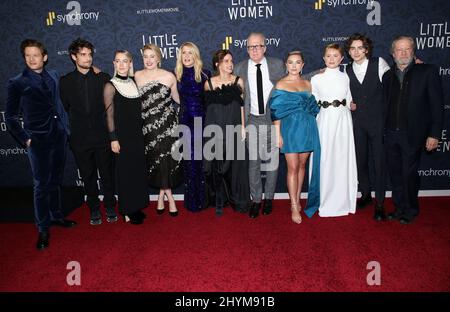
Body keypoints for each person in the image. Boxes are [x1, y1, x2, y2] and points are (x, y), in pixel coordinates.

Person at [5, 39, 76, 250]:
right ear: (25, 58)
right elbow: (10, 116)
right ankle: (43, 228)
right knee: (41, 185)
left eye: (36, 55)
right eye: (28, 55)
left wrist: (65, 129)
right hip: (37, 140)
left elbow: (59, 105)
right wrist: (25, 138)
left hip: (58, 136)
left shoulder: (53, 75)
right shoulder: (17, 82)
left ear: (44, 57)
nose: (32, 59)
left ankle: (56, 216)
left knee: (55, 180)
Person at [382, 35, 443, 224]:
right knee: (395, 173)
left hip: (413, 134)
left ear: (413, 51)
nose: (403, 53)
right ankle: (399, 207)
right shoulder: (387, 76)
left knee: (409, 174)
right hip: (390, 133)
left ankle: (411, 209)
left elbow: (437, 105)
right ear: (393, 54)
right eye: (399, 50)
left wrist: (434, 134)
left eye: (407, 49)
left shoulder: (427, 71)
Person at [60, 38, 117, 225]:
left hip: (102, 137)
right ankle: (93, 209)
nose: (87, 58)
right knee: (88, 176)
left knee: (107, 175)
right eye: (83, 54)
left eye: (89, 54)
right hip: (80, 138)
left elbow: (110, 109)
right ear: (73, 57)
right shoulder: (65, 81)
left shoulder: (103, 78)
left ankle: (109, 206)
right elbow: (65, 108)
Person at [234, 32, 285, 218]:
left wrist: (319, 73)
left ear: (265, 47)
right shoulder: (239, 68)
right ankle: (256, 200)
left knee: (272, 163)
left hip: (273, 120)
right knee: (253, 164)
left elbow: (292, 81)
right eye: (250, 47)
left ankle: (269, 198)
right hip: (252, 120)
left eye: (258, 46)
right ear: (246, 49)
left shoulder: (277, 65)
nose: (254, 50)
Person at [269, 51, 321, 224]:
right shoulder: (281, 84)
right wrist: (278, 134)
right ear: (286, 65)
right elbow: (275, 111)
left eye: (297, 62)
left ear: (303, 65)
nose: (293, 66)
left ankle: (298, 198)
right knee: (292, 167)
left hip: (307, 128)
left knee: (302, 165)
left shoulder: (308, 84)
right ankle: (293, 205)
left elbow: (314, 107)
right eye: (290, 62)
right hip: (290, 129)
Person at [345, 33, 390, 221]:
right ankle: (365, 195)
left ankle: (380, 202)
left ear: (366, 49)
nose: (356, 52)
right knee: (360, 161)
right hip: (357, 123)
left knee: (379, 163)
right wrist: (349, 103)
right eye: (352, 48)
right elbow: (345, 93)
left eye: (359, 48)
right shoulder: (346, 69)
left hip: (378, 122)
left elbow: (393, 85)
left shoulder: (379, 63)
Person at [135, 44, 183, 217]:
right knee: (156, 161)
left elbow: (177, 98)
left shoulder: (169, 76)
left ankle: (165, 197)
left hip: (168, 126)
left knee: (167, 161)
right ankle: (166, 196)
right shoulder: (137, 76)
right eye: (145, 57)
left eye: (152, 56)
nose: (148, 60)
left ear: (158, 58)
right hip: (147, 127)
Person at [311, 43, 358, 217]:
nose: (331, 59)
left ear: (342, 58)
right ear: (324, 58)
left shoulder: (346, 77)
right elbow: (313, 103)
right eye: (328, 56)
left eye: (335, 56)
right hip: (324, 121)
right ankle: (325, 201)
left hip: (343, 121)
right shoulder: (316, 78)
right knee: (325, 159)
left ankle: (344, 201)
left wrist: (352, 105)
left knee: (342, 158)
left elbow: (350, 99)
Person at [103, 50, 149, 225]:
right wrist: (113, 138)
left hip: (137, 135)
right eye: (118, 61)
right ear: (114, 64)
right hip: (122, 137)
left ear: (130, 63)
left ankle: (136, 206)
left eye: (125, 61)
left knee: (137, 172)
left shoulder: (134, 82)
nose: (122, 65)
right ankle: (127, 210)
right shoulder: (110, 85)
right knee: (125, 174)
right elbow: (109, 116)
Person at [203, 49, 250, 216]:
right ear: (217, 64)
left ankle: (238, 200)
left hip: (234, 127)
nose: (230, 64)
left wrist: (243, 127)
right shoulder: (208, 83)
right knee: (216, 166)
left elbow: (242, 106)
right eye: (226, 61)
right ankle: (219, 200)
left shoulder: (239, 81)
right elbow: (208, 110)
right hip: (214, 129)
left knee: (236, 166)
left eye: (231, 61)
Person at [175, 42, 211, 212]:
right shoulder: (176, 75)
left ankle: (203, 200)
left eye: (190, 52)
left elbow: (209, 101)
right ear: (180, 56)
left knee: (201, 162)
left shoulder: (205, 74)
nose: (187, 56)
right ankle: (191, 201)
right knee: (189, 162)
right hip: (185, 123)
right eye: (184, 53)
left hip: (201, 123)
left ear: (195, 55)